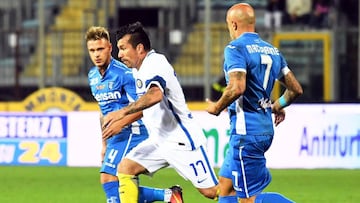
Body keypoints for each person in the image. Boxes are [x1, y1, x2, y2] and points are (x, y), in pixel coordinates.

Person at [101, 22, 219, 203]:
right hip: (159, 141)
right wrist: (122, 122)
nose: (120, 54)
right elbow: (145, 105)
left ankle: (257, 199)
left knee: (212, 191)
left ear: (139, 48)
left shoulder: (155, 63)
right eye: (118, 49)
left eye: (123, 48)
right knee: (125, 169)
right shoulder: (138, 71)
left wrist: (121, 114)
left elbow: (155, 95)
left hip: (182, 141)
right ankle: (171, 197)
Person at [206, 3, 303, 203]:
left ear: (233, 24)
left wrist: (216, 107)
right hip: (260, 129)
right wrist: (277, 106)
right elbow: (295, 89)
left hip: (247, 133)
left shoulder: (235, 48)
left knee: (247, 199)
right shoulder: (272, 51)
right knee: (225, 186)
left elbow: (237, 87)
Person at [85, 26, 183, 203]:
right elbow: (103, 112)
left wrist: (121, 122)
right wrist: (104, 144)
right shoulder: (92, 76)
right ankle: (169, 196)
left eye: (100, 49)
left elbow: (142, 106)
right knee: (118, 183)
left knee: (109, 178)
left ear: (110, 48)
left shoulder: (125, 74)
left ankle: (168, 196)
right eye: (92, 50)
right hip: (115, 136)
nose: (96, 54)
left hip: (133, 131)